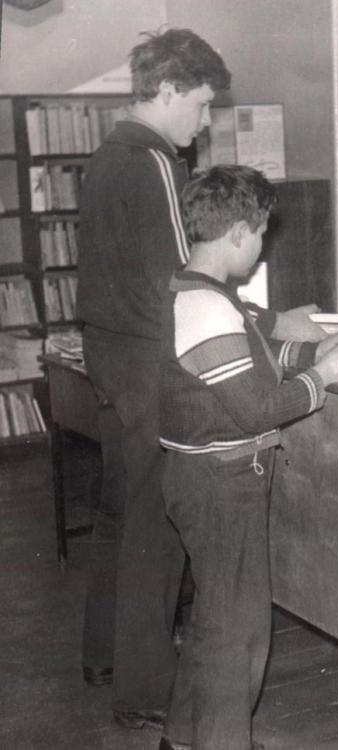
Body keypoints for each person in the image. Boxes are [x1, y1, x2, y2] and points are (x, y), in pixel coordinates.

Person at [77, 27, 324, 730]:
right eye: (202, 103)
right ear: (167, 90)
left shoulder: (104, 155)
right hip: (149, 364)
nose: (205, 120)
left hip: (111, 356)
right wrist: (269, 323)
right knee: (155, 531)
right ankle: (147, 692)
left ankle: (108, 659)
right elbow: (186, 280)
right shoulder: (153, 161)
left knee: (122, 515)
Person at [157, 164, 338, 750]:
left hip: (205, 476)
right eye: (261, 233)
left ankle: (183, 737)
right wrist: (323, 377)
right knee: (239, 630)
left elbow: (251, 357)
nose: (262, 246)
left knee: (215, 618)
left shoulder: (196, 290)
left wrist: (314, 353)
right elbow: (255, 411)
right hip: (222, 479)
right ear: (238, 233)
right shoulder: (208, 308)